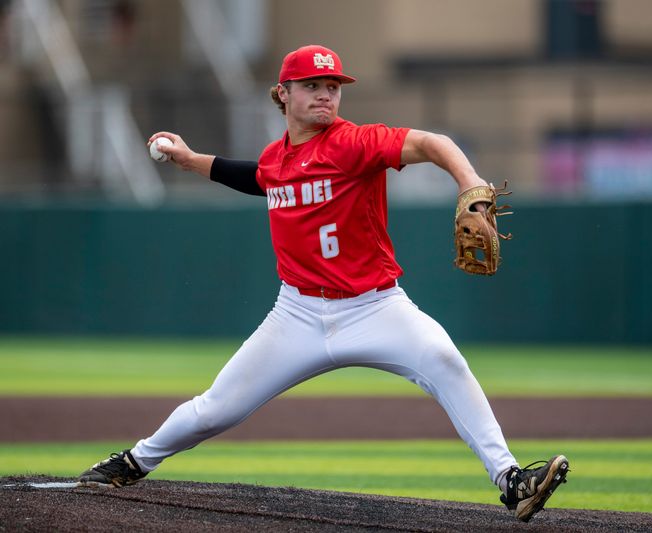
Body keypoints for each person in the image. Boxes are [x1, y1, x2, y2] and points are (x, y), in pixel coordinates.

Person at [78, 44, 568, 522]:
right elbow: (255, 176)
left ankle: (510, 480)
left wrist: (471, 187)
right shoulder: (277, 159)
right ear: (282, 94)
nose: (325, 95)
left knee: (444, 360)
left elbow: (433, 144)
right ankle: (136, 461)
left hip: (375, 308)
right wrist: (190, 160)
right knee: (214, 411)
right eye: (312, 85)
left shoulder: (354, 143)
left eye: (332, 86)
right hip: (296, 315)